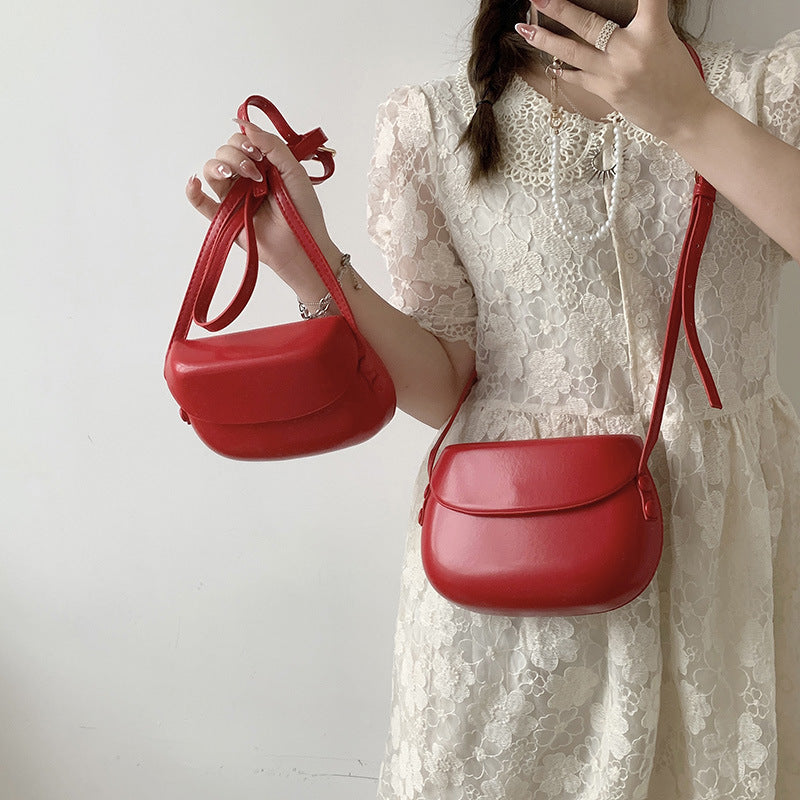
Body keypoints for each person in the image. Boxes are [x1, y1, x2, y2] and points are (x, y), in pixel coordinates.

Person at [186, 0, 800, 796]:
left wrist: (690, 119)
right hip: (515, 567)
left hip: (722, 573)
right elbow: (448, 385)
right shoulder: (437, 123)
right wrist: (309, 265)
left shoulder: (766, 92)